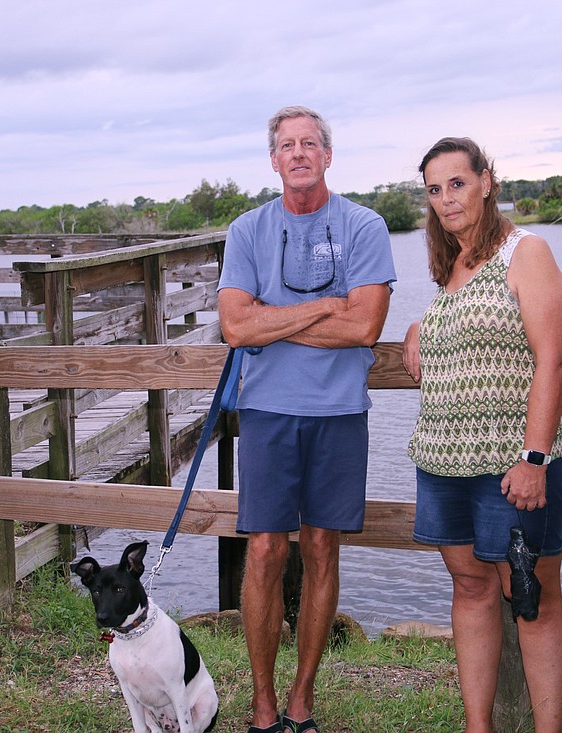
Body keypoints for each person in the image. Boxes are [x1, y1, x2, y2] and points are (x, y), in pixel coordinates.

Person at [217, 105, 396, 733]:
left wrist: (276, 317)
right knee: (265, 551)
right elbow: (235, 326)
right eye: (287, 145)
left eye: (310, 144)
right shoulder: (247, 231)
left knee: (322, 548)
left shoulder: (365, 226)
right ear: (273, 159)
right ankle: (263, 705)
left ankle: (302, 697)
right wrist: (326, 306)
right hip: (266, 412)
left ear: (327, 155)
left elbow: (367, 326)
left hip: (339, 411)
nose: (298, 153)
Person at [402, 137, 562, 733]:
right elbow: (476, 321)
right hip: (443, 463)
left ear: (486, 181)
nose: (446, 198)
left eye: (456, 183)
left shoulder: (527, 251)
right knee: (471, 587)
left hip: (512, 469)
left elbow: (552, 361)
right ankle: (479, 726)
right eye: (433, 189)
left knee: (532, 600)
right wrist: (423, 325)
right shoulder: (453, 265)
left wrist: (533, 458)